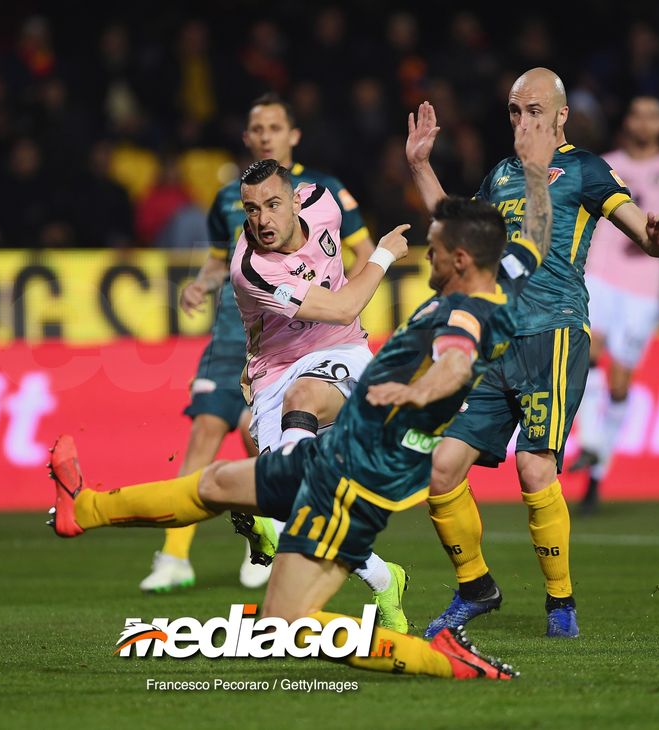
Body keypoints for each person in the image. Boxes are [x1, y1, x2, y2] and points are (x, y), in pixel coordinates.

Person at [45, 115, 572, 680]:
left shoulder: (460, 314)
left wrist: (417, 389)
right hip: (363, 466)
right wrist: (535, 175)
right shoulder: (498, 282)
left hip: (348, 466)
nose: (429, 256)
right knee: (235, 515)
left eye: (436, 251)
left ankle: (433, 656)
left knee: (260, 571)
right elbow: (537, 237)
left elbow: (456, 362)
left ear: (460, 262)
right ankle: (87, 508)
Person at [405, 68, 659, 639]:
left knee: (535, 467)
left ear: (560, 116)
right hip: (496, 336)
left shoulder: (583, 168)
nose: (522, 121)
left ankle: (560, 606)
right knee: (441, 468)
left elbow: (639, 232)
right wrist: (420, 166)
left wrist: (655, 240)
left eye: (533, 110)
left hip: (554, 331)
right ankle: (476, 587)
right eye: (514, 110)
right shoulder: (502, 175)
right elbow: (454, 232)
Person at [141, 93, 374, 593]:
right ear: (247, 138)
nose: (265, 135)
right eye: (257, 128)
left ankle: (272, 530)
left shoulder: (324, 192)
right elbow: (216, 257)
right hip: (235, 333)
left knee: (260, 438)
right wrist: (203, 284)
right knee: (206, 428)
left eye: (275, 126)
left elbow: (364, 250)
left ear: (294, 135)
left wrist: (339, 304)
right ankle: (175, 556)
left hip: (306, 337)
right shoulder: (228, 198)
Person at [226, 158, 411, 629]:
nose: (262, 220)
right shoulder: (252, 268)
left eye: (272, 204)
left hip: (342, 352)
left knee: (305, 398)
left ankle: (275, 499)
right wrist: (384, 255)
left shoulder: (324, 200)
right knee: (296, 513)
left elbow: (346, 309)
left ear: (294, 199)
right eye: (251, 209)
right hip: (274, 373)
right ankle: (384, 578)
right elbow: (345, 301)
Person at [570, 97, 659, 513]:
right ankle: (590, 443)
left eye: (652, 114)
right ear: (626, 121)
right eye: (636, 113)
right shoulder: (601, 164)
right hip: (600, 275)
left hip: (644, 288)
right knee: (588, 352)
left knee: (621, 381)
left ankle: (596, 472)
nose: (643, 121)